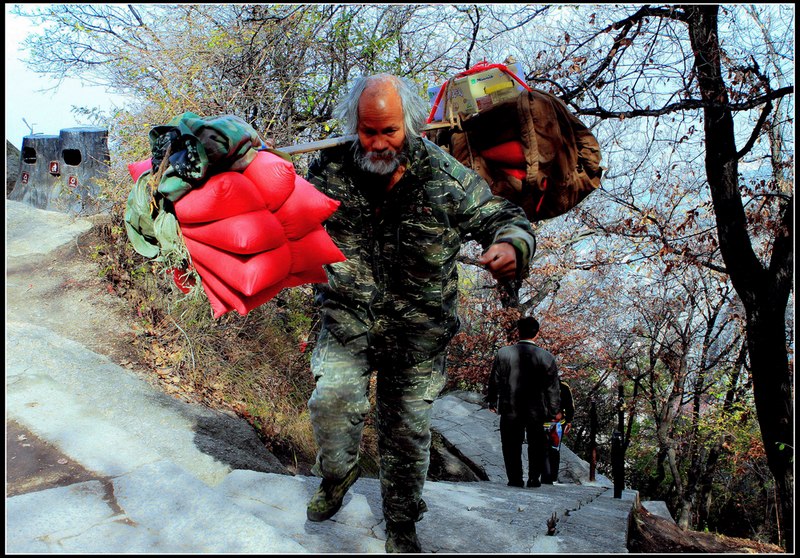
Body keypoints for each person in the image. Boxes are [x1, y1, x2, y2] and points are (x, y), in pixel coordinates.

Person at [303, 73, 536, 553]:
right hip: (347, 319)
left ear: (408, 124)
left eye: (389, 131)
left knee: (406, 432)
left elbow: (504, 218)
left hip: (417, 333)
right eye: (368, 131)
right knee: (331, 406)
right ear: (355, 125)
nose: (379, 142)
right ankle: (337, 477)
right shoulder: (328, 169)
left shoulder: (445, 177)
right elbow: (284, 212)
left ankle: (403, 520)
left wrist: (512, 244)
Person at [485, 316, 561, 489]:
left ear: (518, 331)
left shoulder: (504, 353)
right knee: (537, 444)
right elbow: (552, 388)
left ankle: (515, 478)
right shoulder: (546, 357)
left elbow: (494, 379)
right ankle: (534, 478)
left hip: (510, 407)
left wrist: (491, 399)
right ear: (537, 333)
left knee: (511, 444)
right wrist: (553, 410)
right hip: (537, 409)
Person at [542, 378, 575, 484]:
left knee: (545, 450)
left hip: (550, 424)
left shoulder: (538, 384)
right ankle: (551, 476)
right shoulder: (563, 387)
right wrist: (569, 420)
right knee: (554, 451)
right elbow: (570, 406)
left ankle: (546, 476)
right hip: (556, 424)